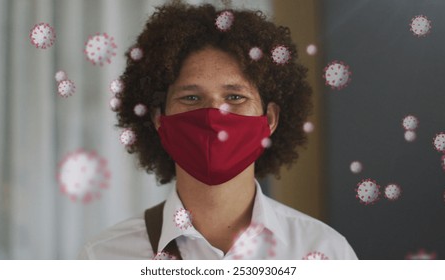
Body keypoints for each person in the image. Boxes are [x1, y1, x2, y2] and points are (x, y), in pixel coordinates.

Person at [78, 1, 357, 260]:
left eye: (235, 97)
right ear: (158, 118)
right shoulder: (103, 257)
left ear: (270, 118)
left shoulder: (324, 252)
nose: (213, 116)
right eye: (191, 98)